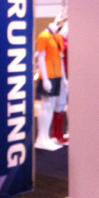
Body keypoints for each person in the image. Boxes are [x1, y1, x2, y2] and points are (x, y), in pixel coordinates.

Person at [35, 10, 68, 150]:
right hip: (48, 76)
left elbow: (60, 59)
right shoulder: (43, 36)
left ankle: (46, 136)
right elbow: (41, 58)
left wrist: (64, 78)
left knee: (51, 106)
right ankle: (41, 137)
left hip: (57, 76)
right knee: (46, 105)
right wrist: (45, 79)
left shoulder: (57, 39)